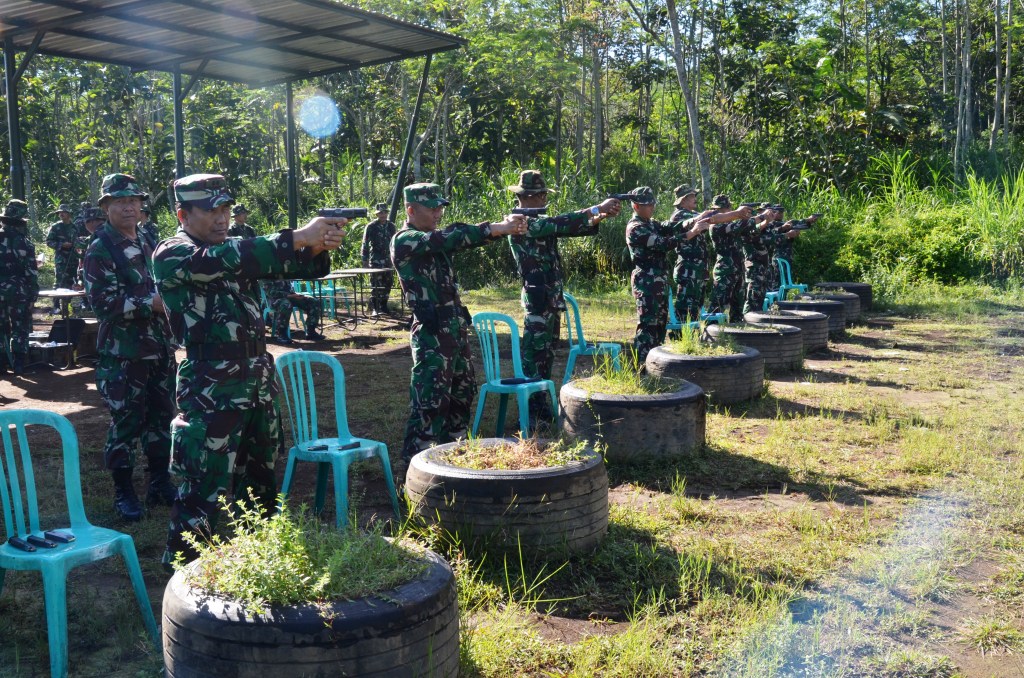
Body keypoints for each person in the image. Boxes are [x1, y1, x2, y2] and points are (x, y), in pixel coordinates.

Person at [153, 173, 346, 567]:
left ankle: (259, 564)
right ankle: (182, 580)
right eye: (211, 210)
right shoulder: (174, 253)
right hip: (212, 388)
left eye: (225, 209)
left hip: (256, 382)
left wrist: (315, 246)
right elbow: (229, 259)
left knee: (260, 483)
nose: (222, 218)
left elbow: (297, 268)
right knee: (203, 488)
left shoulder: (229, 249)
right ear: (182, 214)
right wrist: (297, 236)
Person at [391, 183, 527, 461]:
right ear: (410, 209)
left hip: (455, 331)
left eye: (441, 206)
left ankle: (453, 458)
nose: (439, 212)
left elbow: (455, 238)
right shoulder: (406, 240)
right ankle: (413, 471)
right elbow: (448, 238)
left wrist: (499, 231)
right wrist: (496, 227)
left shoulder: (433, 238)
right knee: (430, 403)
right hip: (431, 336)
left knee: (462, 395)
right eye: (432, 208)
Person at [82, 174, 178, 521]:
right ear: (106, 207)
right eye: (119, 202)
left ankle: (159, 482)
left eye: (133, 201)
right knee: (126, 422)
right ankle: (124, 492)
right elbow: (102, 302)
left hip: (159, 348)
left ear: (141, 205)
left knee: (161, 417)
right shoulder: (100, 247)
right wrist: (148, 303)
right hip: (124, 354)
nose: (128, 207)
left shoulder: (148, 238)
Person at [506, 170, 620, 425]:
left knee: (546, 355)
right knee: (534, 357)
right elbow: (557, 224)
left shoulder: (537, 220)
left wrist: (599, 215)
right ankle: (532, 413)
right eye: (543, 194)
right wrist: (594, 209)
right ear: (533, 196)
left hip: (549, 298)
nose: (546, 198)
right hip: (537, 300)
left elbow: (566, 227)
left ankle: (542, 407)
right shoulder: (518, 221)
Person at [625, 187, 710, 362]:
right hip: (646, 282)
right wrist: (691, 233)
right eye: (647, 205)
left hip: (659, 282)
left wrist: (693, 220)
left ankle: (654, 366)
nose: (651, 208)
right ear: (635, 206)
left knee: (660, 326)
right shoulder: (636, 228)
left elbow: (670, 227)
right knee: (648, 327)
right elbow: (663, 243)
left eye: (652, 204)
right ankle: (641, 367)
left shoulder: (651, 223)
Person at [671, 186, 754, 323]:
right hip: (688, 269)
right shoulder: (680, 215)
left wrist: (737, 215)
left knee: (695, 308)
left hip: (697, 269)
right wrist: (737, 214)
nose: (695, 199)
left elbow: (713, 217)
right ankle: (680, 338)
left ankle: (693, 336)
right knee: (685, 307)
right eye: (693, 196)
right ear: (684, 199)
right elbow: (711, 218)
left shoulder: (691, 213)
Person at [0, 199, 39, 375]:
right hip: (18, 291)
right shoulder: (25, 243)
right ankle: (18, 363)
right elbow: (31, 273)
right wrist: (33, 296)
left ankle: (1, 363)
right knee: (20, 326)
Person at [708, 195, 756, 321]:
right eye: (725, 208)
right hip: (725, 270)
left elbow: (747, 228)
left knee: (738, 304)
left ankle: (736, 330)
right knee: (718, 305)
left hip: (737, 268)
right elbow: (738, 226)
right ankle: (710, 331)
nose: (727, 210)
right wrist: (755, 217)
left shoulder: (729, 223)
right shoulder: (716, 226)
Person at [740, 205, 794, 314]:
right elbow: (765, 239)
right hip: (754, 266)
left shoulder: (767, 226)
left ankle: (757, 319)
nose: (772, 215)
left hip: (763, 266)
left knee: (761, 297)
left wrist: (784, 230)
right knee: (752, 298)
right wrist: (786, 235)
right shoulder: (749, 227)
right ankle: (747, 318)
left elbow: (773, 235)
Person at [261, 277, 324, 343]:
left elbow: (290, 289)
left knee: (313, 301)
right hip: (275, 300)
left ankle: (311, 331)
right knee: (286, 304)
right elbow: (271, 293)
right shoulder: (268, 275)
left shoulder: (286, 272)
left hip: (291, 296)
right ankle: (281, 334)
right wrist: (289, 295)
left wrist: (296, 295)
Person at [360, 202, 396, 315]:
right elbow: (365, 243)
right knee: (376, 284)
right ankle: (375, 308)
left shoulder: (391, 226)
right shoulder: (371, 227)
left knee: (388, 283)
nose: (383, 215)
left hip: (388, 260)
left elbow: (395, 243)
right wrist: (364, 260)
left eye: (385, 212)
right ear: (377, 214)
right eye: (380, 213)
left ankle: (384, 306)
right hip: (376, 259)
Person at [46, 204, 79, 304]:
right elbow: (49, 241)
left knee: (71, 281)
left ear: (69, 214)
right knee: (59, 281)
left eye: (63, 212)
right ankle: (56, 305)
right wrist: (61, 245)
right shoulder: (56, 227)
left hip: (73, 258)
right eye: (60, 212)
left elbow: (78, 241)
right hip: (61, 259)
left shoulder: (74, 227)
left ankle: (68, 304)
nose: (61, 214)